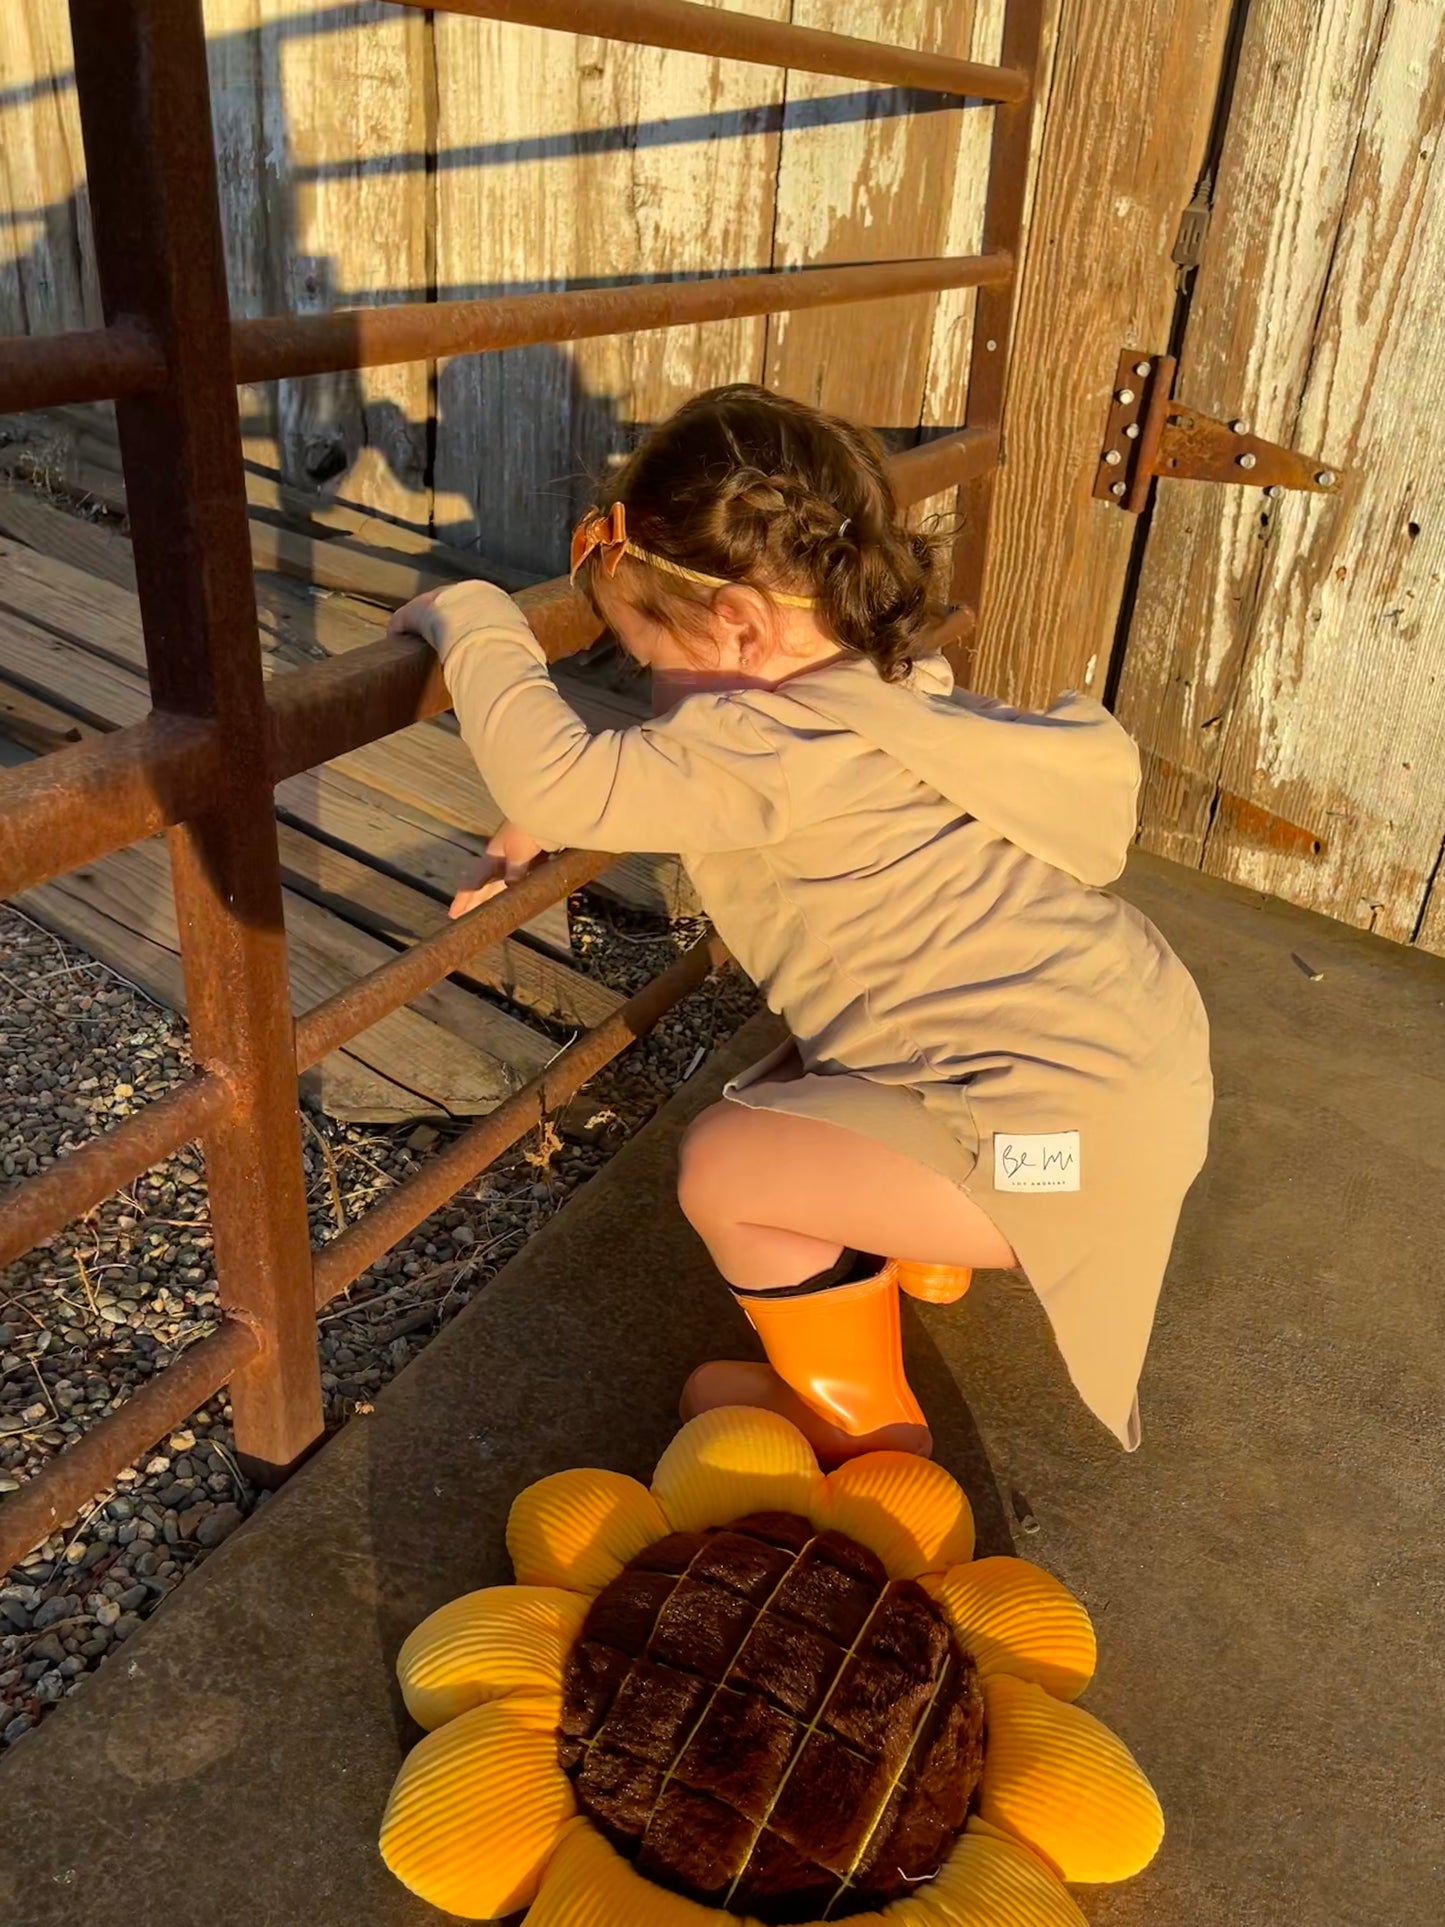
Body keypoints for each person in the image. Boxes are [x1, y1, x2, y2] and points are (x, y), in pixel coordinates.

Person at [388, 383, 1213, 1464]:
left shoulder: (766, 744)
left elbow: (560, 777)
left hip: (1060, 1152)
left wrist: (476, 621)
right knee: (822, 1072)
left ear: (734, 624)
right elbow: (646, 781)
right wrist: (544, 818)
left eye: (648, 662)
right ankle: (917, 1246)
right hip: (1130, 1063)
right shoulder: (888, 683)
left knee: (727, 1165)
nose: (652, 695)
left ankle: (857, 1419)